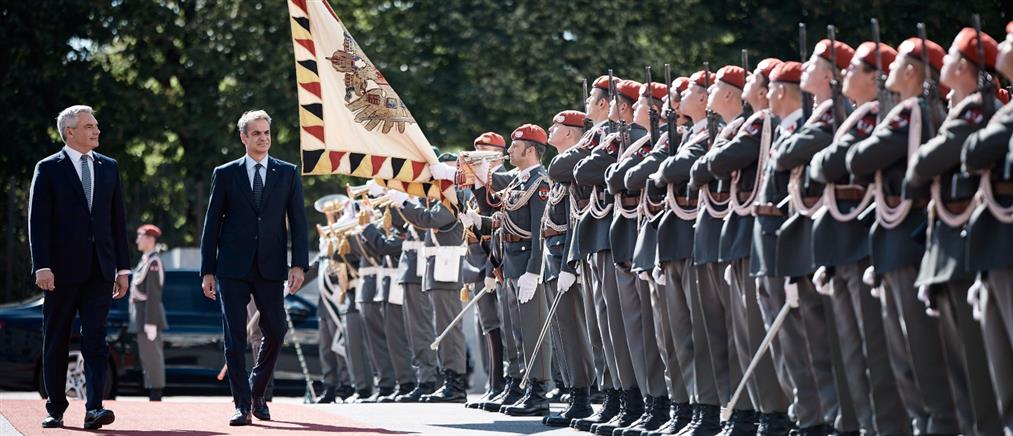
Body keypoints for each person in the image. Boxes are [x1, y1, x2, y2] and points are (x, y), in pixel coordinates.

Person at [199, 109, 308, 426]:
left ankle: (256, 389)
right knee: (234, 338)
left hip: (272, 266)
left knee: (276, 330)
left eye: (266, 132)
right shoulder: (226, 173)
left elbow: (298, 223)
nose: (263, 138)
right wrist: (207, 269)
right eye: (256, 133)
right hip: (231, 268)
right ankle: (241, 404)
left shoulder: (287, 172)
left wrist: (299, 264)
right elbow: (211, 225)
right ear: (244, 137)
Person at [30, 105, 130, 430]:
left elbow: (118, 222)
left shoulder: (109, 168)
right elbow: (38, 223)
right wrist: (41, 265)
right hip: (59, 273)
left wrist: (123, 269)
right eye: (89, 126)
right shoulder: (48, 169)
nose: (96, 130)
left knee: (96, 340)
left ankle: (94, 409)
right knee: (56, 340)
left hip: (100, 271)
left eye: (96, 125)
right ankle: (56, 407)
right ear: (69, 132)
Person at [129, 224, 168, 402]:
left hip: (148, 317)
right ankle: (153, 390)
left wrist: (150, 322)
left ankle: (156, 392)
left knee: (153, 356)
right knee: (147, 356)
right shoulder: (144, 260)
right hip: (141, 316)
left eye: (140, 236)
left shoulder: (153, 262)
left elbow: (153, 294)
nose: (137, 240)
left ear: (150, 239)